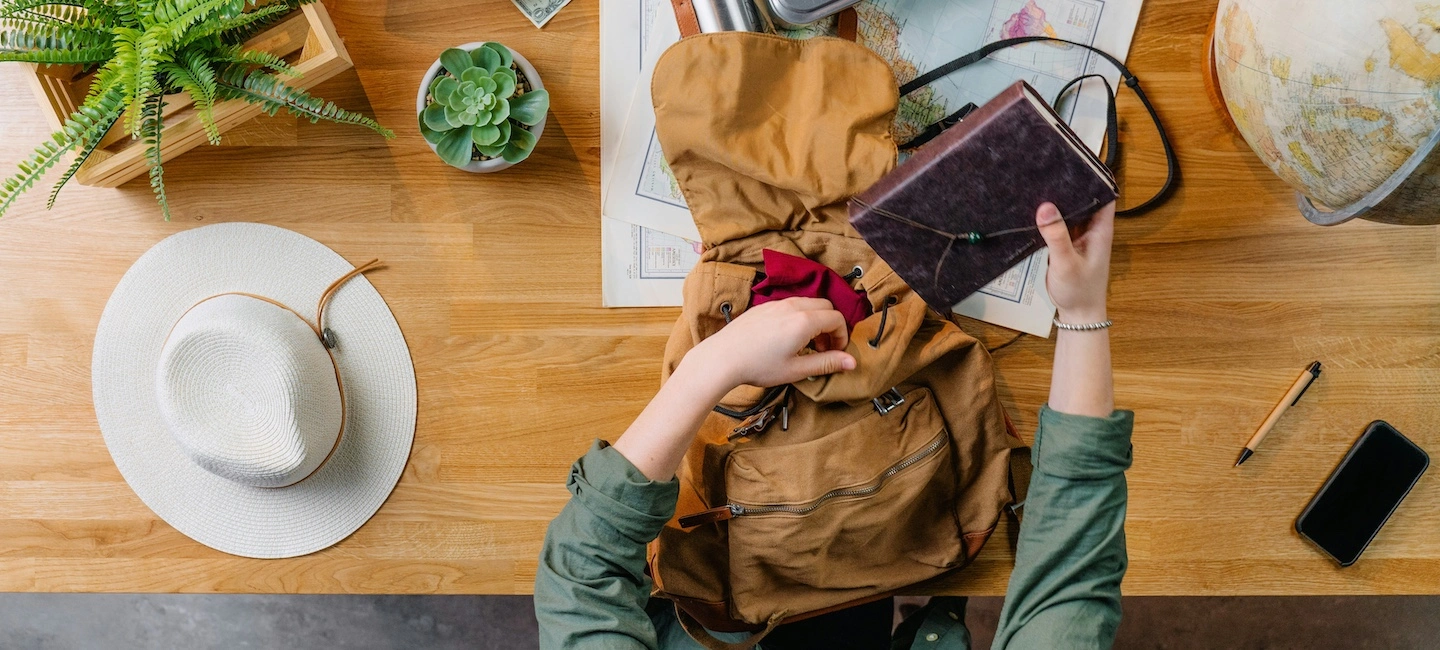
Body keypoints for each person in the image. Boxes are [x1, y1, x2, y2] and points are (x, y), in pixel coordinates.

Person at [534, 202, 1133, 649]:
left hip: (720, 608)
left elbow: (584, 579)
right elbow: (1070, 565)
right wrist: (1081, 313)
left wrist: (713, 365)